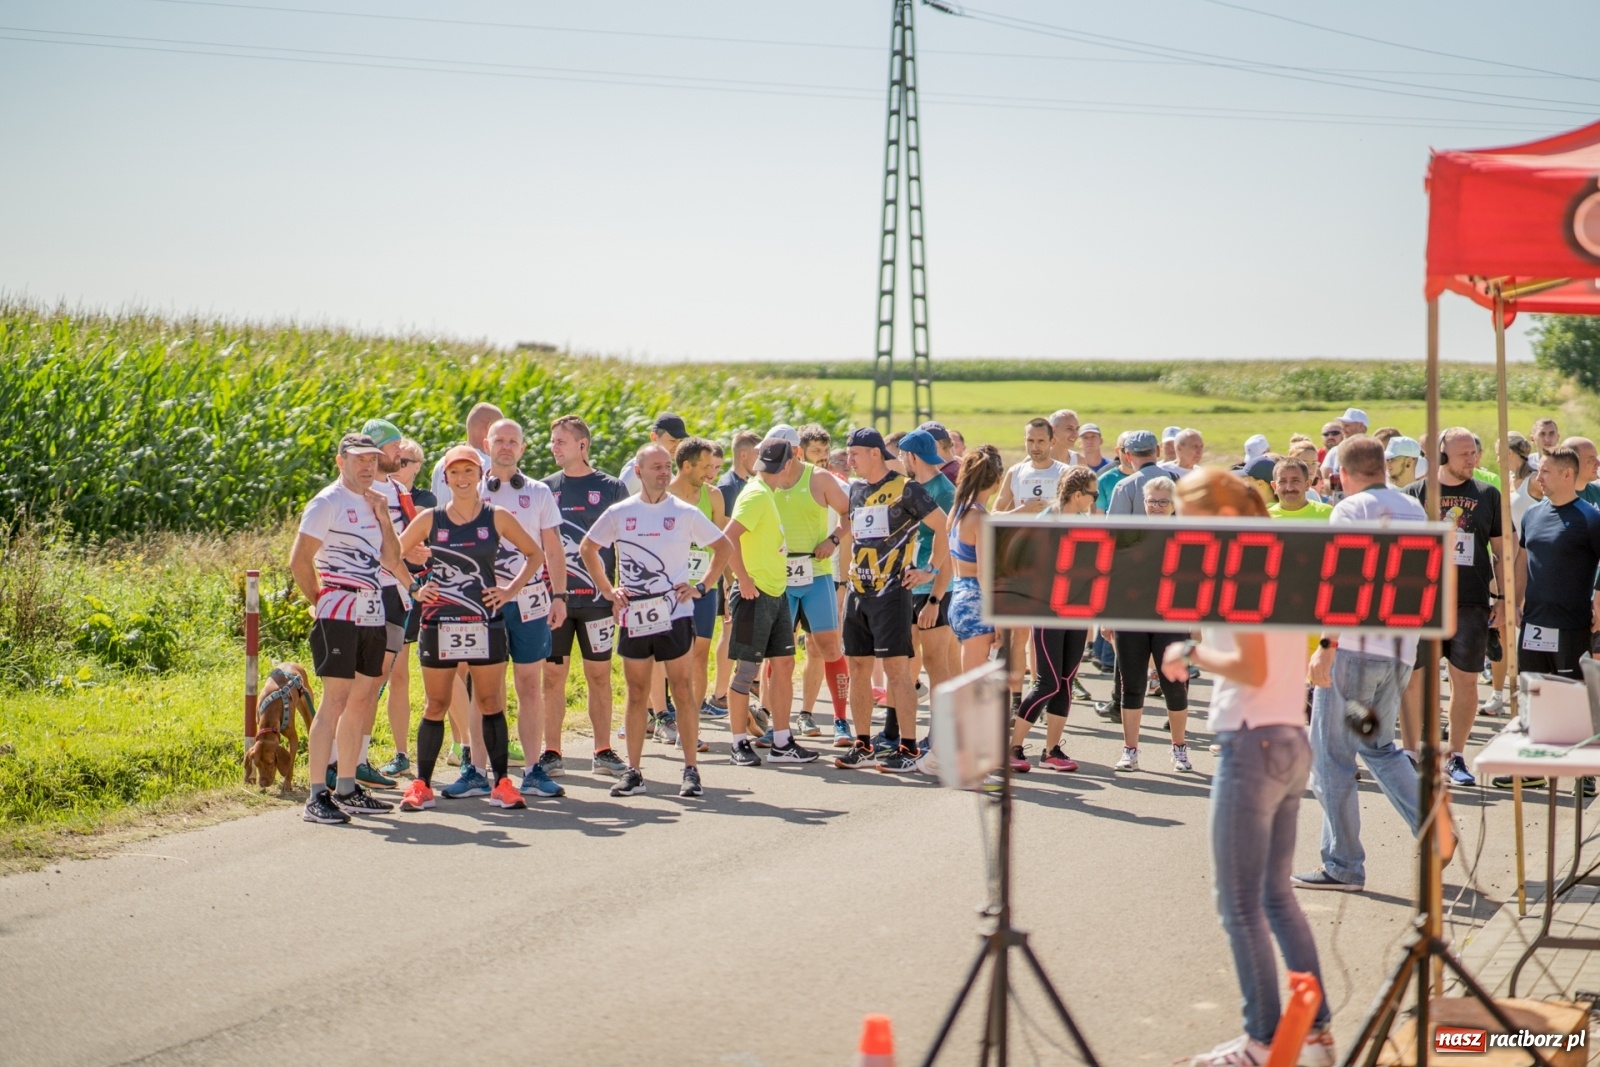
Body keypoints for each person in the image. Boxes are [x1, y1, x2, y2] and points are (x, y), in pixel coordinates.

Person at [1162, 468, 1336, 1067]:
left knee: (1239, 904)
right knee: (1275, 897)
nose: (1183, 527)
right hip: (1288, 738)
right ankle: (1315, 1033)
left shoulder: (1238, 570)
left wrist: (1191, 650)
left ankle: (1262, 1041)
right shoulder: (1282, 563)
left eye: (1189, 515)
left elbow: (1250, 665)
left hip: (1252, 741)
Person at [1295, 436, 1425, 892]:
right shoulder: (1416, 510)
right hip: (1399, 650)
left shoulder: (1350, 510)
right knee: (1379, 747)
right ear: (1384, 469)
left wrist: (1326, 644)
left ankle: (1343, 865)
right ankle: (1432, 824)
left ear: (1344, 474)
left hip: (1353, 649)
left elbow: (1342, 580)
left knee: (1332, 759)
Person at [395, 444, 547, 813]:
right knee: (436, 704)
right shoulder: (431, 519)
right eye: (455, 472)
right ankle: (422, 786)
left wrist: (510, 590)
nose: (462, 479)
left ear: (481, 475)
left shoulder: (497, 516)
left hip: (484, 621)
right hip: (439, 622)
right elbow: (392, 554)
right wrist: (415, 588)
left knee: (490, 702)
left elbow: (535, 554)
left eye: (469, 471)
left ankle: (502, 784)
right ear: (445, 478)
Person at [581, 444, 733, 797]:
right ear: (639, 471)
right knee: (637, 693)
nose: (664, 473)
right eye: (656, 467)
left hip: (675, 612)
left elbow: (723, 547)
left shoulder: (684, 511)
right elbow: (588, 547)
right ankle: (634, 772)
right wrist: (608, 589)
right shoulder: (621, 512)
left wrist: (701, 586)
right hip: (634, 613)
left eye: (667, 466)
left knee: (682, 689)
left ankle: (691, 770)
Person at [289, 433, 410, 824]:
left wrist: (385, 517)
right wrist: (322, 601)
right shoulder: (328, 501)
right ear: (340, 462)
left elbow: (392, 559)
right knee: (335, 700)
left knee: (363, 698)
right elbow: (299, 560)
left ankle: (346, 786)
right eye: (359, 460)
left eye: (372, 459)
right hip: (339, 610)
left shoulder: (375, 502)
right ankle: (316, 796)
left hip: (373, 609)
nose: (367, 466)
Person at [834, 428, 951, 773]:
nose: (849, 460)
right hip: (858, 591)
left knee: (897, 671)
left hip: (891, 593)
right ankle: (863, 744)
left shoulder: (906, 488)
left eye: (855, 453)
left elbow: (944, 527)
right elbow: (853, 534)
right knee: (857, 667)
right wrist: (844, 582)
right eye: (848, 453)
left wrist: (930, 569)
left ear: (875, 453)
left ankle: (908, 747)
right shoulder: (856, 490)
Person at [1403, 426, 1503, 786]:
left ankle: (1456, 756)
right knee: (1414, 680)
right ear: (1442, 455)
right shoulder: (1414, 494)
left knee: (1466, 682)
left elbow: (1503, 551)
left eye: (1474, 452)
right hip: (1423, 604)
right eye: (1464, 454)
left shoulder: (1488, 494)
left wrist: (1503, 600)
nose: (1472, 459)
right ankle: (1410, 754)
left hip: (1471, 603)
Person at [480, 418, 570, 798]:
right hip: (484, 600)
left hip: (531, 600)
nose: (505, 447)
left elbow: (553, 548)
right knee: (486, 687)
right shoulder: (469, 488)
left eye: (512, 441)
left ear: (522, 448)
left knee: (530, 684)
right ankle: (483, 770)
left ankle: (533, 769)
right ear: (486, 444)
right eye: (499, 440)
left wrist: (560, 596)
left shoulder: (538, 492)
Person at [540, 415, 631, 780]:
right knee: (552, 677)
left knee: (599, 676)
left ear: (582, 445)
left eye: (560, 441)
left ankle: (603, 751)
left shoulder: (611, 488)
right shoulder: (545, 489)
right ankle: (551, 752)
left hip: (598, 603)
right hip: (557, 602)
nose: (554, 447)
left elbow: (626, 544)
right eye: (552, 441)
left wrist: (621, 592)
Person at [722, 438, 822, 768]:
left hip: (776, 592)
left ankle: (782, 741)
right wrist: (742, 579)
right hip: (755, 595)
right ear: (788, 464)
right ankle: (738, 743)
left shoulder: (767, 492)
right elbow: (728, 537)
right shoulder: (756, 494)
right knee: (746, 672)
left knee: (784, 665)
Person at [1009, 466, 1099, 774]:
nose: (1095, 499)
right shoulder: (1045, 521)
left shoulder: (1086, 523)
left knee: (1065, 682)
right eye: (1093, 494)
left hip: (1078, 610)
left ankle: (1051, 751)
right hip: (1049, 610)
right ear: (1078, 495)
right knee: (1046, 683)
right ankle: (1014, 748)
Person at [774, 426, 852, 746]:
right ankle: (775, 722)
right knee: (779, 653)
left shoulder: (820, 479)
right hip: (779, 577)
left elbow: (849, 513)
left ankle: (840, 720)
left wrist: (832, 540)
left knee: (828, 647)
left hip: (817, 574)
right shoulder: (766, 480)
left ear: (795, 451)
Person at [1109, 474, 1191, 772]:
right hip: (1131, 619)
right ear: (1143, 503)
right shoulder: (1128, 535)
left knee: (1175, 685)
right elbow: (1114, 580)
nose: (1156, 506)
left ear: (1174, 505)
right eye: (1151, 501)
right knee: (1131, 685)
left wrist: (1194, 624)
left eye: (1163, 502)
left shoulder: (1184, 536)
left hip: (1170, 620)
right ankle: (1130, 750)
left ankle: (1179, 748)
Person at [1513, 447, 1600, 683]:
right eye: (1538, 471)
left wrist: (1599, 602)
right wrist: (1515, 602)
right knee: (1532, 696)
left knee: (1570, 698)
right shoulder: (1531, 514)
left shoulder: (1590, 518)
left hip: (1572, 627)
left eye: (1545, 471)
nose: (1538, 477)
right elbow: (1522, 559)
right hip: (1533, 623)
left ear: (1567, 474)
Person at [664, 436, 728, 749]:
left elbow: (724, 545)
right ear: (687, 466)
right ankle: (661, 716)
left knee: (699, 655)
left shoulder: (713, 497)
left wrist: (725, 583)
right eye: (705, 466)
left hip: (703, 587)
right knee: (668, 656)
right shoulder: (663, 495)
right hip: (667, 589)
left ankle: (690, 726)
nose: (710, 472)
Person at [379, 436, 436, 778]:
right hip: (395, 591)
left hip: (421, 591)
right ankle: (400, 753)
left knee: (439, 674)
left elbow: (426, 546)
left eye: (406, 462)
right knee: (394, 674)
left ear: (417, 467)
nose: (399, 467)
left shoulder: (423, 500)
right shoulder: (379, 494)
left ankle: (464, 748)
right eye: (397, 460)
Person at [899, 428, 959, 747]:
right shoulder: (913, 487)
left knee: (936, 664)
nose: (900, 461)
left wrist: (935, 599)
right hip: (910, 586)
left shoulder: (944, 490)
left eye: (902, 456)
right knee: (906, 662)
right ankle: (899, 731)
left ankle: (941, 733)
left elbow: (949, 549)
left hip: (935, 590)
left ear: (912, 457)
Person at [709, 429, 763, 717]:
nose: (760, 459)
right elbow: (726, 538)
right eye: (757, 454)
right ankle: (719, 694)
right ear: (743, 454)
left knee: (743, 633)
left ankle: (739, 687)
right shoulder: (728, 487)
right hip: (730, 574)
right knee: (729, 632)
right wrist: (730, 580)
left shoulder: (749, 483)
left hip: (748, 570)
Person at [948, 446, 1004, 673]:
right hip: (977, 604)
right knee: (977, 685)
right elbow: (984, 573)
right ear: (997, 480)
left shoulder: (957, 511)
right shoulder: (980, 518)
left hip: (958, 599)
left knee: (972, 680)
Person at [995, 418, 1070, 514]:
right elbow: (994, 514)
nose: (1035, 447)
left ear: (1052, 441)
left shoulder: (1065, 473)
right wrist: (1022, 510)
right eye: (1030, 441)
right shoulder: (1014, 472)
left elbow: (1077, 513)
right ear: (1025, 441)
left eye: (1041, 441)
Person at [427, 402, 500, 496]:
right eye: (500, 429)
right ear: (489, 428)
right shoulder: (491, 467)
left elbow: (434, 503)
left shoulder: (441, 464)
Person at [618, 413, 688, 495]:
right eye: (672, 440)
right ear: (654, 437)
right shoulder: (637, 469)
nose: (677, 446)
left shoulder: (670, 476)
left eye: (680, 441)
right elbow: (615, 500)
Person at [1105, 430, 1168, 515]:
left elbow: (1115, 522)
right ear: (1158, 450)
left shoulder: (1124, 487)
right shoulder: (1174, 478)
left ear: (1128, 455)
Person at [1266, 458, 1332, 520]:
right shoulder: (1265, 519)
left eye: (1295, 481)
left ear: (1307, 484)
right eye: (1282, 481)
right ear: (1274, 486)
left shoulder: (1328, 514)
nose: (1289, 488)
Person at [1095, 431, 1134, 513]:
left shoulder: (1151, 478)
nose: (1129, 454)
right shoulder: (1104, 480)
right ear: (1117, 451)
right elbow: (1098, 516)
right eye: (1125, 450)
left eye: (1134, 449)